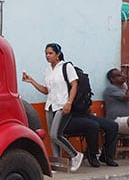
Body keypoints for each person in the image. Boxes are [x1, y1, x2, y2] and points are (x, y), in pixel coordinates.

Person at [22, 42, 84, 172]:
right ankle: (58, 163)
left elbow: (74, 85)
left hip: (62, 104)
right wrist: (32, 81)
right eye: (46, 53)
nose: (47, 56)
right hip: (50, 105)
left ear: (58, 54)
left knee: (55, 134)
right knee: (52, 136)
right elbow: (46, 90)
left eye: (50, 53)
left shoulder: (66, 67)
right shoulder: (48, 70)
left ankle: (75, 155)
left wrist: (69, 103)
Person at [103, 67, 129, 168]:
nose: (122, 76)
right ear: (112, 79)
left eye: (122, 74)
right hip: (115, 121)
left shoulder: (125, 88)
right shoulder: (110, 89)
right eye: (119, 75)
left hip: (125, 121)